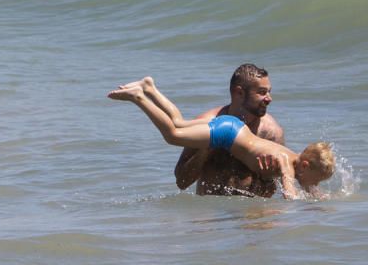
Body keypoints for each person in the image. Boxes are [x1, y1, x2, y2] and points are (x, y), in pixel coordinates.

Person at [109, 76, 334, 200]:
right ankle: (139, 97)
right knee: (173, 134)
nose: (313, 185)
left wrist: (319, 198)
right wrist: (294, 203)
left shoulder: (294, 159)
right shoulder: (287, 162)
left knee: (179, 123)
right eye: (316, 180)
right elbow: (289, 191)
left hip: (234, 128)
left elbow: (303, 186)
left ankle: (150, 88)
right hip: (229, 134)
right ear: (304, 165)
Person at [174, 64, 285, 197]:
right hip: (211, 210)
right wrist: (207, 148)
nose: (269, 98)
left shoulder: (270, 133)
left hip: (250, 213)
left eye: (269, 91)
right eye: (262, 92)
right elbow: (182, 182)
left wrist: (268, 177)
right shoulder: (208, 124)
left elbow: (270, 193)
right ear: (239, 93)